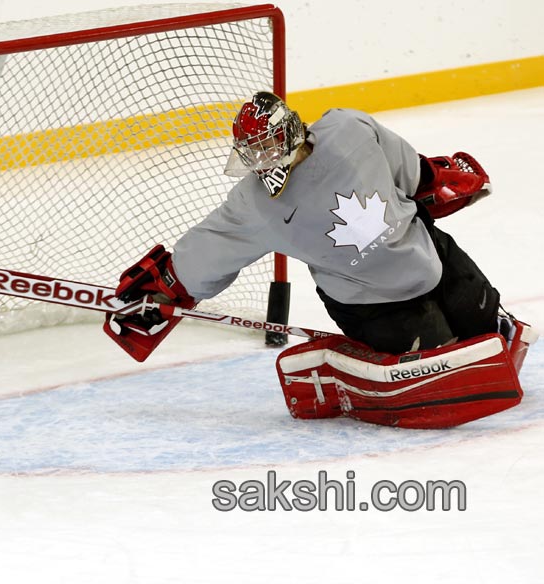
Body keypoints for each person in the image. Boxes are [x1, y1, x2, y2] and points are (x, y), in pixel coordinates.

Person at [106, 92, 532, 427]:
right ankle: (339, 370)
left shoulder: (349, 128)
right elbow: (209, 248)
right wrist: (164, 288)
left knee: (488, 328)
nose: (260, 161)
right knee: (441, 361)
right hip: (372, 303)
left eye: (266, 147)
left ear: (290, 132)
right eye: (251, 152)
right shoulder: (255, 204)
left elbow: (409, 172)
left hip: (427, 256)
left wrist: (438, 181)